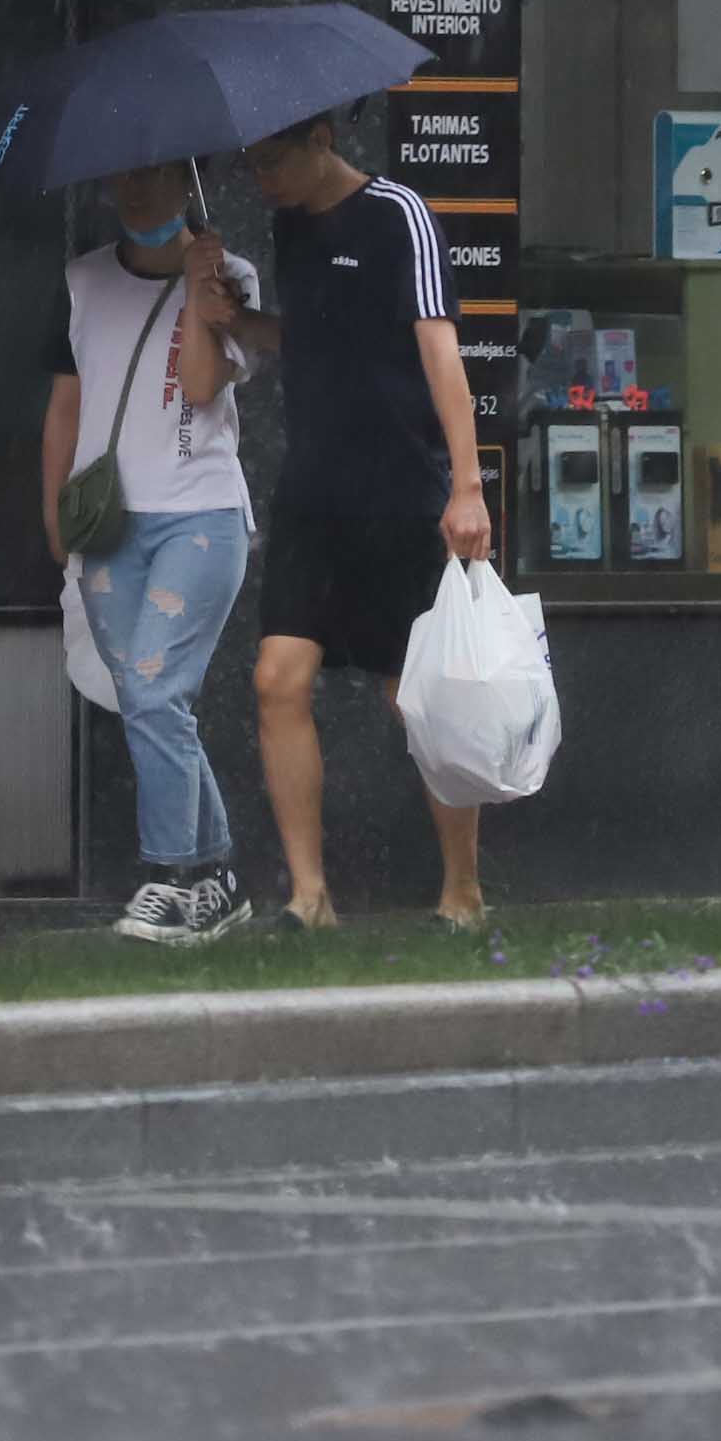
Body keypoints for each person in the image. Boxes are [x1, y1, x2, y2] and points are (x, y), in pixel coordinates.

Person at [223, 107, 495, 929]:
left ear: (323, 139)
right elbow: (308, 339)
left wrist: (468, 485)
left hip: (399, 492)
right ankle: (309, 897)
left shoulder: (397, 215)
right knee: (277, 681)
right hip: (311, 496)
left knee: (418, 699)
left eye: (273, 160)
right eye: (252, 166)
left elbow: (441, 349)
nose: (262, 181)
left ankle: (463, 890)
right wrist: (232, 319)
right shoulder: (291, 229)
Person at [42, 158, 262, 946]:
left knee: (154, 691)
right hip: (108, 525)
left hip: (199, 518)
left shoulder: (233, 274)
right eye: (123, 176)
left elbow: (201, 388)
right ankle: (219, 882)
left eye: (155, 175)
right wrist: (54, 521)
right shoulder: (80, 281)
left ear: (185, 181)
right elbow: (65, 408)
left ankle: (170, 881)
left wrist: (205, 294)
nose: (136, 188)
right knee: (153, 701)